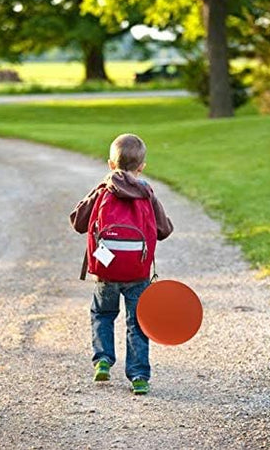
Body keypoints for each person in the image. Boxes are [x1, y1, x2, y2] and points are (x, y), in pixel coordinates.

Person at [70, 133, 173, 395]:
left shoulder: (104, 190)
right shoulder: (146, 192)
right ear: (142, 167)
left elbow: (78, 222)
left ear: (110, 164)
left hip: (106, 270)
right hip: (137, 272)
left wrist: (97, 191)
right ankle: (139, 376)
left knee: (103, 314)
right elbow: (164, 230)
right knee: (137, 322)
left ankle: (103, 360)